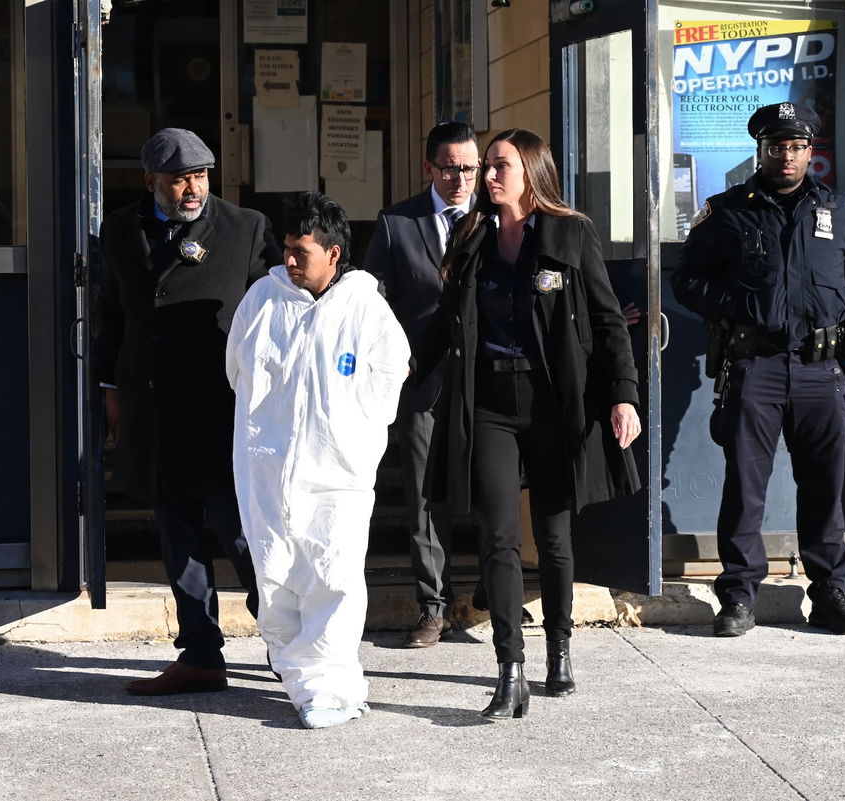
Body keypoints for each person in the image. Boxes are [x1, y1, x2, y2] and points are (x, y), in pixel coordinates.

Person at [425, 128, 642, 720]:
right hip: (489, 400)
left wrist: (623, 396)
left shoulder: (570, 233)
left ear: (531, 172)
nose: (486, 177)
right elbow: (446, 324)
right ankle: (509, 668)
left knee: (552, 534)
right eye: (486, 167)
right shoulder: (472, 235)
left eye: (499, 166)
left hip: (553, 400)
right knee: (496, 534)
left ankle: (560, 650)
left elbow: (607, 323)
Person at [671, 102, 845, 638]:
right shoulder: (727, 210)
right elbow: (688, 280)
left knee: (824, 486)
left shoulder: (838, 211)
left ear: (809, 152)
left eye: (796, 147)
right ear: (761, 151)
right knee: (746, 488)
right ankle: (739, 597)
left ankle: (828, 593)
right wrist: (737, 304)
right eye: (776, 147)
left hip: (822, 371)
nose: (787, 156)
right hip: (755, 367)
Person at [95, 128, 280, 694]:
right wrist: (111, 389)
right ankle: (200, 654)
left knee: (243, 535)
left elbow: (275, 317)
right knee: (177, 537)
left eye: (200, 175)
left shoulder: (246, 229)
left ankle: (287, 645)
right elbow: (111, 315)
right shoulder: (120, 229)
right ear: (151, 180)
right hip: (153, 406)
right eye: (179, 178)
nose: (193, 187)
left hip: (221, 409)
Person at [226, 192, 411, 729]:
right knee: (276, 575)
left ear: (333, 254)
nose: (288, 260)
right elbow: (237, 366)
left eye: (299, 252)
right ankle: (299, 678)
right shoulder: (263, 299)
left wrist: (352, 428)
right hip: (268, 467)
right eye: (285, 248)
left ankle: (329, 687)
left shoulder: (363, 305)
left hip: (338, 474)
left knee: (334, 575)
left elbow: (391, 371)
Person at [363, 122, 478, 647]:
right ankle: (432, 606)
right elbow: (372, 305)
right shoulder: (396, 224)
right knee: (424, 495)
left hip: (486, 378)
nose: (462, 178)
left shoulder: (496, 216)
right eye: (451, 167)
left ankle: (492, 601)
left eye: (470, 168)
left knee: (494, 491)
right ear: (429, 168)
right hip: (421, 382)